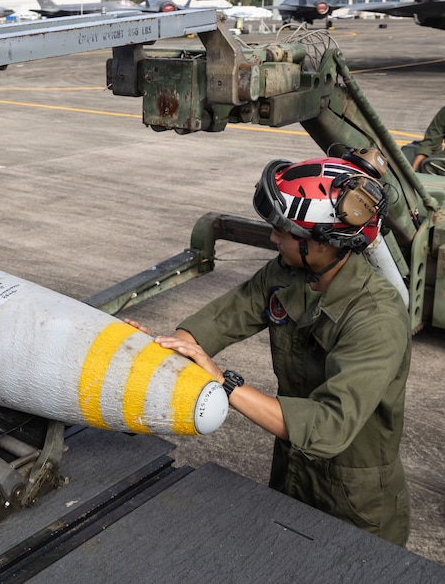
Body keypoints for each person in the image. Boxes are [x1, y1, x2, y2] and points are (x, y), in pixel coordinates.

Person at [129, 153, 412, 545]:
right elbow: (221, 320)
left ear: (326, 242)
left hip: (355, 498)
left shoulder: (377, 317)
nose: (273, 237)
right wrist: (164, 348)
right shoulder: (288, 272)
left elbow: (330, 426)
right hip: (292, 469)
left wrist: (225, 385)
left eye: (285, 230)